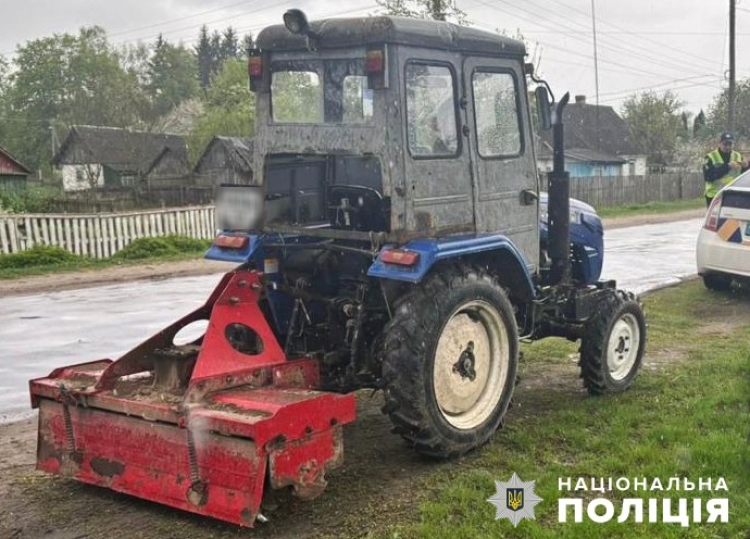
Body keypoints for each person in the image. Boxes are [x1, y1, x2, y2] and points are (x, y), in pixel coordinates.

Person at [703, 132, 749, 207]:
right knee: (717, 219)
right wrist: (727, 167)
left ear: (733, 144)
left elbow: (742, 176)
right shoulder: (709, 157)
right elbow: (708, 177)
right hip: (714, 195)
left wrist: (746, 166)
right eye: (725, 144)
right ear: (719, 143)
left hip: (732, 194)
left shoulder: (737, 155)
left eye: (730, 144)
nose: (727, 147)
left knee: (731, 218)